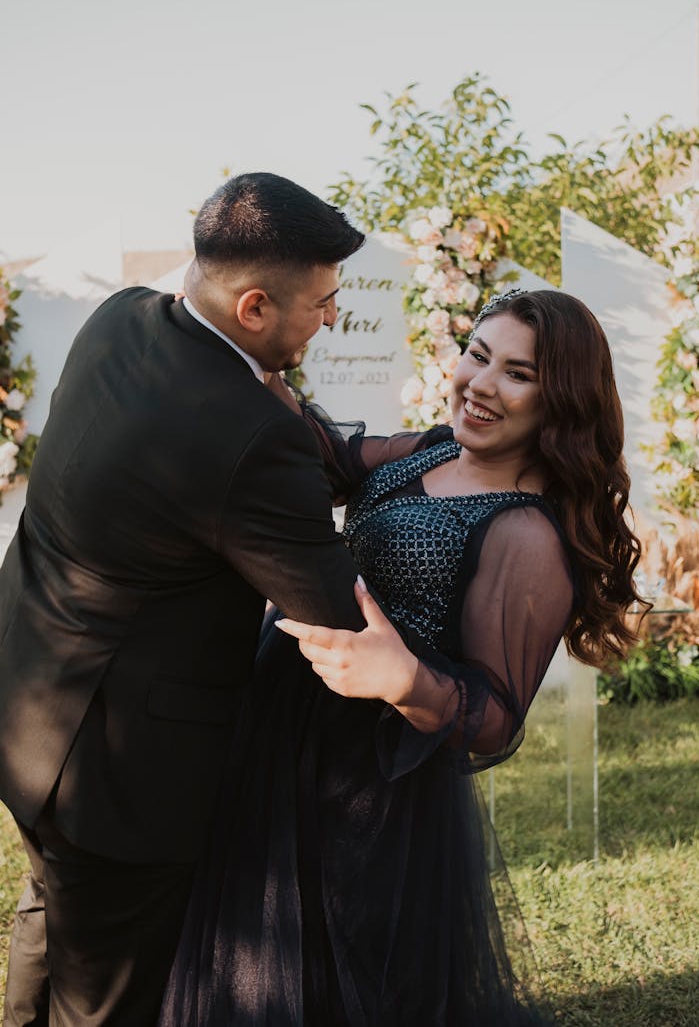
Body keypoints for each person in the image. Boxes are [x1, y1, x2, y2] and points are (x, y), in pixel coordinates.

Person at [0, 172, 442, 1026]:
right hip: (118, 769)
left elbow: (254, 439)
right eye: (320, 303)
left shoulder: (120, 319)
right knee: (105, 1002)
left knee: (50, 919)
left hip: (28, 697)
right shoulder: (247, 431)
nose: (330, 319)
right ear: (251, 308)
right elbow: (333, 609)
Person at [159, 288, 644, 1026]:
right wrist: (262, 352)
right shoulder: (438, 446)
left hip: (370, 780)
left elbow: (495, 717)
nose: (479, 384)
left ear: (561, 402)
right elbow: (325, 456)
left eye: (517, 373)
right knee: (251, 950)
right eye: (477, 355)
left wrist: (405, 677)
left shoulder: (527, 533)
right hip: (284, 727)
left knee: (340, 975)